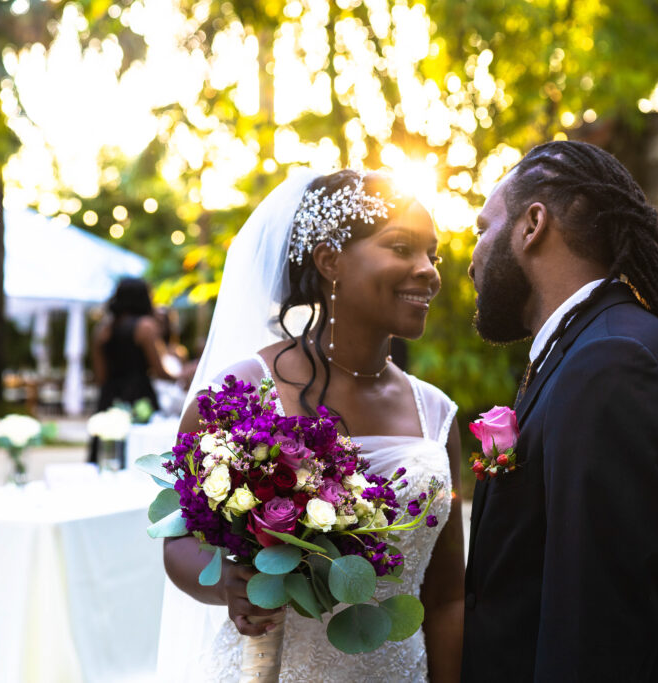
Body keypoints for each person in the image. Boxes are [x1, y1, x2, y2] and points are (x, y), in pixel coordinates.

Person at [159, 169, 465, 682]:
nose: (428, 270)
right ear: (329, 261)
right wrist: (227, 585)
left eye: (432, 254)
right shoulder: (239, 398)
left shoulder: (436, 414)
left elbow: (447, 595)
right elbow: (179, 542)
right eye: (401, 247)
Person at [463, 140, 658, 681]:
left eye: (483, 227)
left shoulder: (610, 365)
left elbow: (596, 632)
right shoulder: (597, 347)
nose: (472, 256)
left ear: (532, 225)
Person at [88, 277, 172, 462]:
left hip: (109, 396)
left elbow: (100, 375)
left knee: (107, 452)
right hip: (139, 396)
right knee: (139, 453)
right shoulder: (145, 326)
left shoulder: (103, 329)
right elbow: (160, 371)